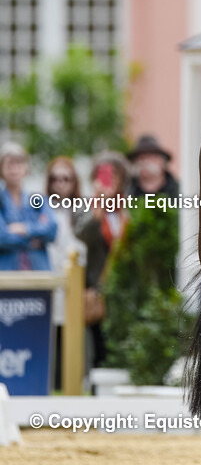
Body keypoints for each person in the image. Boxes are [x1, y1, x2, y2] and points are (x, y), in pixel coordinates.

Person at [74, 151, 131, 369]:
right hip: (97, 289)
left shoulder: (128, 208)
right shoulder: (87, 208)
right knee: (99, 345)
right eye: (105, 174)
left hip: (124, 290)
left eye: (115, 174)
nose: (110, 179)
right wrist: (98, 207)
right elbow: (82, 235)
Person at [45, 156, 86, 389]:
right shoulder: (41, 208)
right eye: (55, 179)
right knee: (50, 333)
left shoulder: (82, 210)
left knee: (74, 337)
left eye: (65, 178)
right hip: (50, 279)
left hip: (77, 281)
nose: (60, 183)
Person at [0, 141, 57, 271]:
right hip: (6, 274)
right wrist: (33, 239)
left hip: (39, 272)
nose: (14, 169)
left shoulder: (38, 199)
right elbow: (1, 237)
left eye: (18, 164)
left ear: (26, 168)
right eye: (9, 165)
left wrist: (24, 228)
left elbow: (52, 230)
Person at [128, 134, 179, 198]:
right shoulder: (125, 190)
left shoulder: (181, 190)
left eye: (151, 156)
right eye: (141, 158)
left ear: (163, 162)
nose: (145, 162)